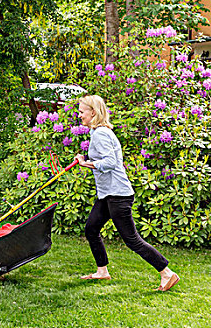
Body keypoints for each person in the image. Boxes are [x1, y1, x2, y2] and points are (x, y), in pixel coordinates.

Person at [74, 94, 179, 291]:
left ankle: (167, 272)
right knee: (91, 228)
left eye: (82, 112)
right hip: (107, 194)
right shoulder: (98, 132)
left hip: (118, 195)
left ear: (93, 112)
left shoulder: (100, 133)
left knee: (131, 239)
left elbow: (110, 163)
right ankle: (102, 271)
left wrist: (87, 163)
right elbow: (106, 159)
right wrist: (87, 159)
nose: (80, 116)